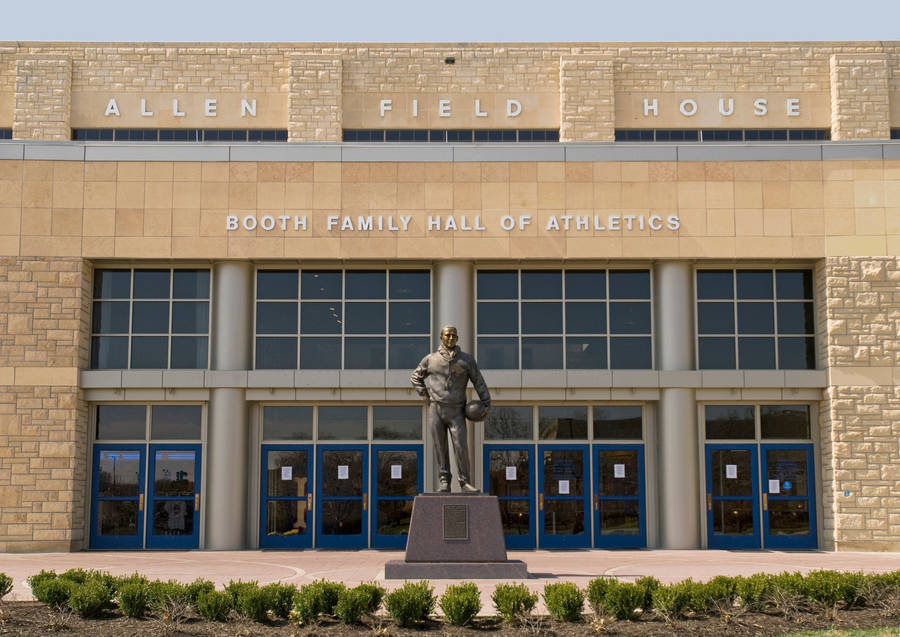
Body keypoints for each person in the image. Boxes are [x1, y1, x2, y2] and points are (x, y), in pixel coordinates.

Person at [410, 326, 491, 493]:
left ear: (457, 337)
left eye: (454, 335)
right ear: (441, 337)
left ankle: (465, 482)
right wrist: (424, 393)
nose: (451, 337)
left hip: (457, 410)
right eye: (448, 335)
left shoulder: (466, 360)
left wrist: (486, 401)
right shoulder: (431, 359)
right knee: (440, 447)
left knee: (461, 446)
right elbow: (415, 376)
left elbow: (479, 382)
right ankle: (444, 481)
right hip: (436, 408)